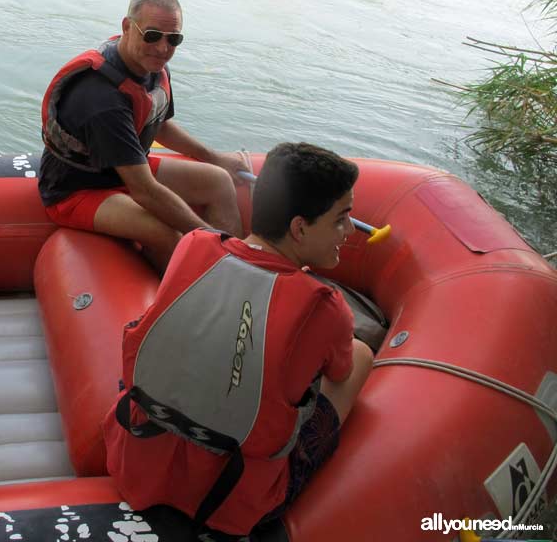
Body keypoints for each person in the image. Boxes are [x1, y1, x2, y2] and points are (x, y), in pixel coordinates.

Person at [102, 142, 375, 538]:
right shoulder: (325, 307)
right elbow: (340, 372)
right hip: (230, 500)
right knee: (362, 355)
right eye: (340, 219)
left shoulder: (193, 244)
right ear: (299, 228)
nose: (349, 231)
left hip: (135, 459)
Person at [39, 0, 252, 270]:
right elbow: (144, 191)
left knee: (220, 181)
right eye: (152, 35)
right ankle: (202, 282)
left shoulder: (151, 68)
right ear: (127, 27)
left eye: (173, 39)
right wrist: (213, 239)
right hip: (79, 191)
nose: (163, 48)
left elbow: (158, 124)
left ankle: (230, 275)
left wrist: (213, 157)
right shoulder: (101, 98)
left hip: (123, 170)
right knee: (168, 232)